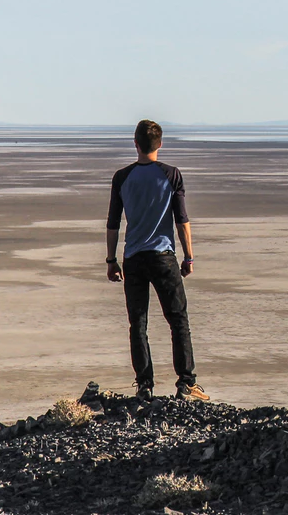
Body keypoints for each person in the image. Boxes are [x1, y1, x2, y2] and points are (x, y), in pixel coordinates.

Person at [105, 119, 209, 402]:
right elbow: (182, 220)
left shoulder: (122, 177)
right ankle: (186, 383)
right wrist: (189, 256)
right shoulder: (171, 175)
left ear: (135, 144)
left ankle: (144, 385)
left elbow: (113, 223)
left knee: (138, 323)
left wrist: (111, 260)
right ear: (160, 144)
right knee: (178, 320)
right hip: (163, 257)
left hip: (133, 259)